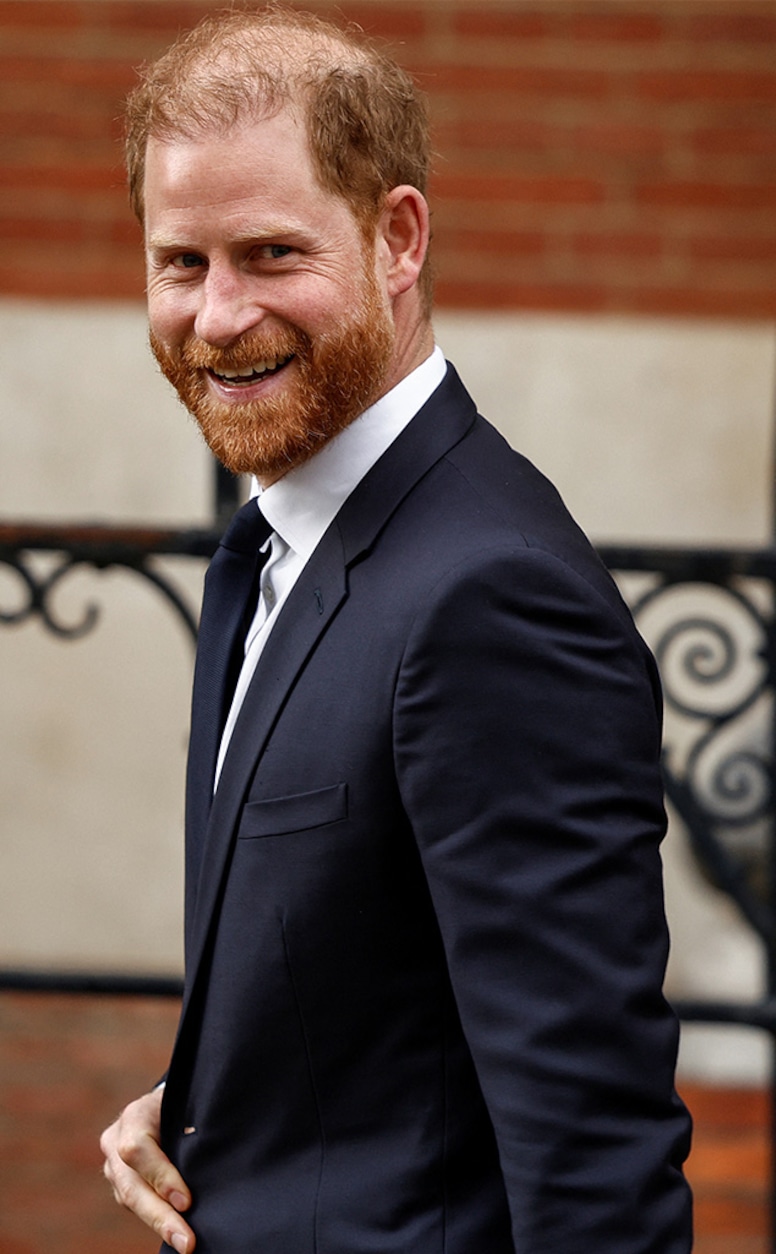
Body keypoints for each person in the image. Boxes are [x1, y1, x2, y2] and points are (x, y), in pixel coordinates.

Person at [100, 7, 693, 1253]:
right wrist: (211, 1110)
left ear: (397, 237)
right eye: (180, 263)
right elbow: (375, 993)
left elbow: (592, 1151)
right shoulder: (272, 542)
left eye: (269, 254)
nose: (215, 317)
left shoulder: (490, 598)